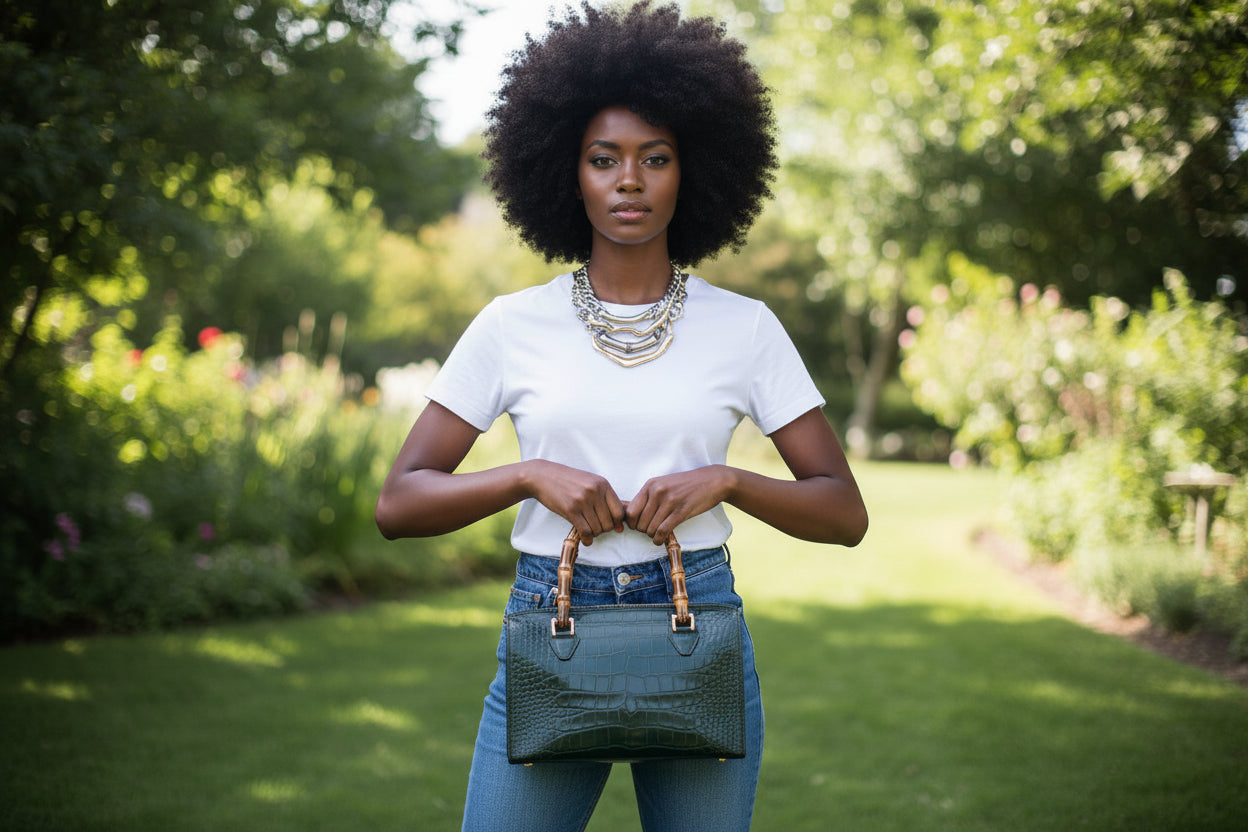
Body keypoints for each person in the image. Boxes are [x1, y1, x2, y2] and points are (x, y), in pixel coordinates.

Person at [375, 3, 868, 830]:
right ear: (569, 172)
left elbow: (842, 512)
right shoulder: (509, 325)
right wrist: (530, 474)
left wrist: (730, 481)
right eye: (604, 159)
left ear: (694, 170)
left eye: (655, 158)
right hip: (551, 616)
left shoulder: (745, 328)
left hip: (695, 622)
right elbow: (400, 503)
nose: (629, 181)